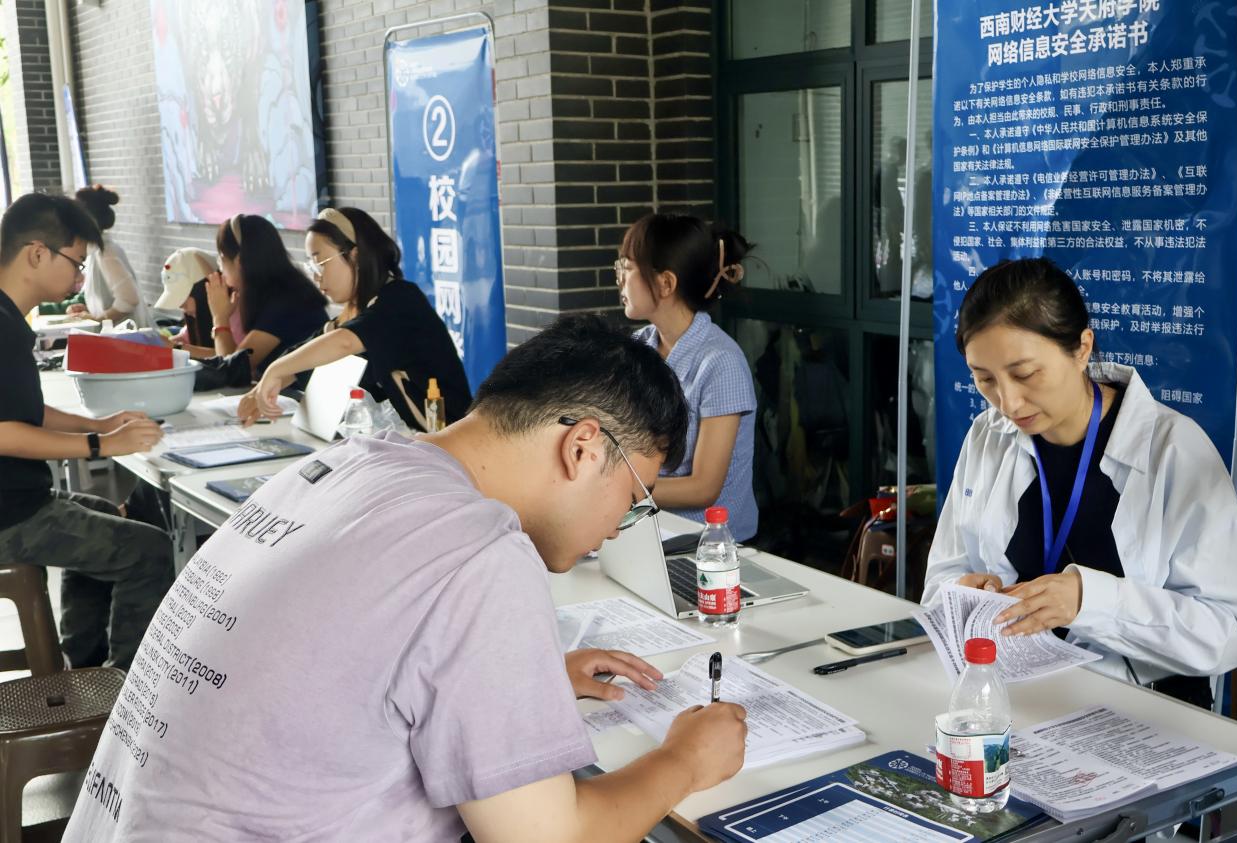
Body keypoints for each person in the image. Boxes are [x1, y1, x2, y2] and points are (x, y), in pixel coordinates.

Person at [65, 315, 748, 842]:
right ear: (583, 447)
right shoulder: (480, 551)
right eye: (634, 497)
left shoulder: (351, 465)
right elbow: (549, 837)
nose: (621, 524)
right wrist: (686, 760)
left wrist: (518, 680)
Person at [923, 257, 1237, 707]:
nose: (1008, 402)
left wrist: (1091, 602)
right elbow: (942, 577)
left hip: (1143, 712)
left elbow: (1230, 631)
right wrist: (959, 596)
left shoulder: (1174, 451)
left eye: (1025, 374)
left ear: (1082, 348)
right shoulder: (988, 436)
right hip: (1018, 697)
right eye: (985, 380)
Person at [0, 192, 173, 671]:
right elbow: (5, 432)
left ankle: (85, 664)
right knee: (150, 552)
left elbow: (23, 411)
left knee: (102, 511)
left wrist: (98, 424)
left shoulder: (9, 318)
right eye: (76, 263)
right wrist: (100, 444)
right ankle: (127, 690)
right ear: (37, 254)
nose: (80, 279)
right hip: (9, 515)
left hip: (17, 500)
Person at [237, 207, 471, 430]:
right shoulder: (355, 312)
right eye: (312, 267)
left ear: (355, 256)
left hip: (447, 442)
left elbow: (345, 341)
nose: (317, 278)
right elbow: (313, 348)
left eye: (320, 264)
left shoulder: (400, 300)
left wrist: (275, 370)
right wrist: (264, 389)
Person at [616, 212, 759, 541]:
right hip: (649, 532)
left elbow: (703, 488)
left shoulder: (720, 362)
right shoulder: (638, 347)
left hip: (713, 547)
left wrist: (619, 487)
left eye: (627, 267)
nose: (620, 280)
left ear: (665, 283)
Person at [208, 213, 328, 374]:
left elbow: (231, 371)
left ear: (239, 261)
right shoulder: (280, 290)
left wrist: (220, 319)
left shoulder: (287, 302)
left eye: (221, 258)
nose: (220, 268)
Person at [67, 185, 152, 327]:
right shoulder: (97, 250)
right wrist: (89, 309)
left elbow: (129, 300)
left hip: (125, 336)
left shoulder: (105, 253)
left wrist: (97, 318)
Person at [154, 247, 245, 359]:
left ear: (204, 290)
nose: (180, 306)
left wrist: (175, 347)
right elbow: (184, 337)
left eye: (184, 298)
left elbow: (229, 358)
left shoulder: (234, 314)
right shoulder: (198, 318)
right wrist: (159, 343)